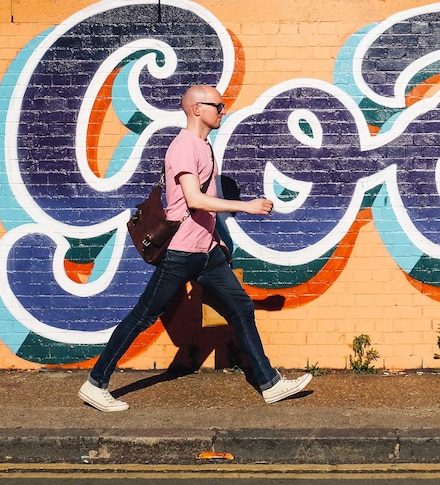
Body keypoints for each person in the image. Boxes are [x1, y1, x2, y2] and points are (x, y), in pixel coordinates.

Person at [78, 85, 312, 412]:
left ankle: (269, 383)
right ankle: (96, 383)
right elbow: (194, 199)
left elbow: (201, 208)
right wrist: (246, 207)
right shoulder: (183, 147)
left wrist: (214, 240)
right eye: (218, 105)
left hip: (206, 253)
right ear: (197, 109)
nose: (223, 110)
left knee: (241, 307)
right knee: (143, 316)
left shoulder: (204, 145)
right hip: (181, 252)